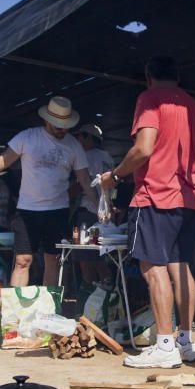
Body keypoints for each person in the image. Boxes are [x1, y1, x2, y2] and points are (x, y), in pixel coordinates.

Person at [100, 56, 195, 368]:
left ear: (148, 75)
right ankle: (185, 342)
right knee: (181, 268)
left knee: (154, 269)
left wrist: (116, 176)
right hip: (188, 198)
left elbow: (143, 148)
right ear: (178, 75)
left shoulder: (149, 99)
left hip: (154, 195)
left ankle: (164, 345)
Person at [0, 96, 97, 287]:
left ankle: (49, 311)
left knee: (53, 260)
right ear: (46, 120)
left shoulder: (73, 145)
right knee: (22, 260)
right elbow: (5, 160)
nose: (62, 129)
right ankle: (15, 313)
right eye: (58, 124)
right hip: (27, 210)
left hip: (57, 210)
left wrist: (100, 207)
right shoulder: (28, 137)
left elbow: (84, 180)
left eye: (65, 125)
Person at [71, 123, 115, 286]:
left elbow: (82, 184)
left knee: (84, 255)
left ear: (89, 137)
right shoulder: (108, 157)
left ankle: (88, 291)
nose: (78, 140)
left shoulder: (86, 156)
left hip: (89, 210)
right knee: (99, 254)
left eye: (80, 136)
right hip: (105, 213)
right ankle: (106, 289)